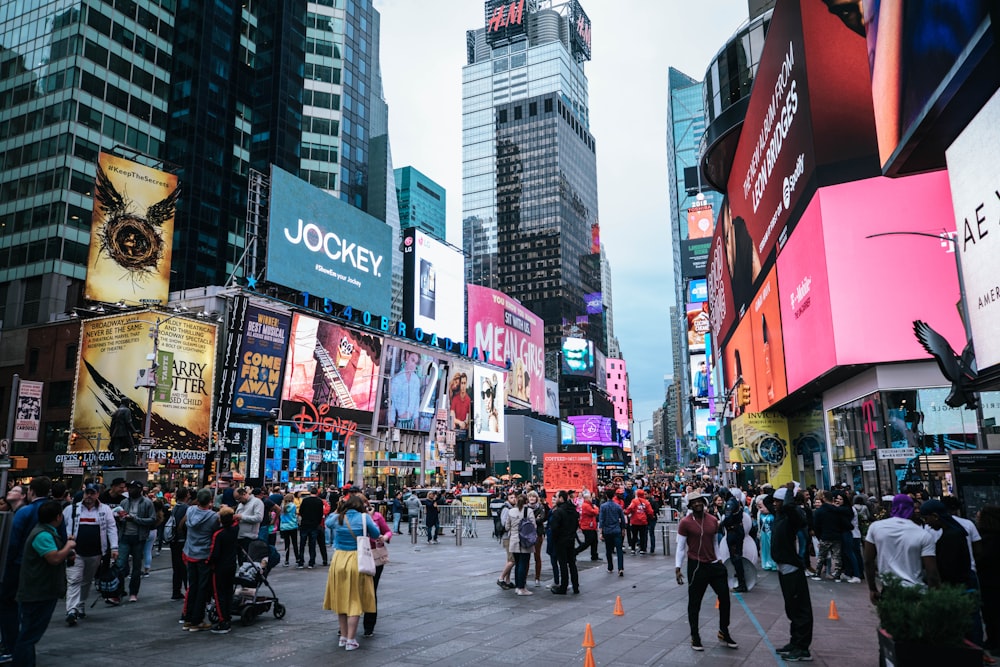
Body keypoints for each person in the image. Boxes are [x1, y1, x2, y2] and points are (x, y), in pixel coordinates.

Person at [12, 501, 75, 667]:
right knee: (29, 635)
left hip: (40, 591)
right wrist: (68, 547)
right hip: (38, 592)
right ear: (58, 517)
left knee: (29, 634)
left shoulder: (46, 532)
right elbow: (53, 558)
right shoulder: (43, 535)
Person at [675, 491, 739, 652]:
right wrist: (677, 567)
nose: (697, 504)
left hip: (714, 565)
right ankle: (695, 636)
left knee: (725, 598)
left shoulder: (713, 520)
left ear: (704, 502)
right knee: (694, 603)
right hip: (696, 566)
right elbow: (681, 547)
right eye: (693, 502)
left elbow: (715, 543)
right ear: (689, 505)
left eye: (699, 501)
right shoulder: (685, 522)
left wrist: (719, 560)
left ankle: (724, 631)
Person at [0, 476, 52, 661]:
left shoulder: (24, 513)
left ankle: (13, 647)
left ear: (28, 493)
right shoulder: (51, 511)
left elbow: (12, 544)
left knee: (9, 604)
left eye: (15, 490)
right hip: (40, 568)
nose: (9, 492)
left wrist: (6, 565)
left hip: (19, 565)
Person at [323, 493, 380, 651]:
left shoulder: (338, 517)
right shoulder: (364, 518)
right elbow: (375, 534)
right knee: (354, 599)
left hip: (339, 559)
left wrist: (337, 509)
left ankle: (343, 636)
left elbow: (327, 522)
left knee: (341, 598)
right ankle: (351, 640)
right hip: (357, 559)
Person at [864, 494, 940, 604]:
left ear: (892, 507)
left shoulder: (876, 527)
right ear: (912, 509)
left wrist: (872, 588)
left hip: (890, 589)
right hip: (916, 591)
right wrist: (935, 596)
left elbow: (868, 561)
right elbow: (931, 571)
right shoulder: (923, 534)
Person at [62, 483, 118, 626]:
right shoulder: (71, 510)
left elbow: (111, 528)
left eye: (92, 493)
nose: (89, 496)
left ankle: (80, 605)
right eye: (87, 493)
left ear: (98, 494)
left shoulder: (105, 510)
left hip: (96, 553)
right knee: (74, 580)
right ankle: (72, 610)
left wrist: (114, 548)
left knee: (86, 581)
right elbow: (63, 528)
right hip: (75, 552)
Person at [769, 487, 813, 662]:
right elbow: (768, 502)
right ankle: (795, 642)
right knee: (792, 609)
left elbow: (789, 507)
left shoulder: (792, 517)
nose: (774, 504)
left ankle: (803, 648)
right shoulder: (780, 516)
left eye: (777, 502)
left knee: (800, 610)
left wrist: (789, 492)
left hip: (792, 570)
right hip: (783, 569)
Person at [182, 489, 220, 632]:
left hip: (190, 552)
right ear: (210, 500)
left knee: (192, 586)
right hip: (204, 555)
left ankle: (187, 618)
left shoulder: (190, 511)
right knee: (202, 588)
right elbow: (217, 530)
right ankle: (197, 620)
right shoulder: (213, 517)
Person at [113, 480, 156, 603]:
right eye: (129, 488)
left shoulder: (147, 503)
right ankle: (119, 592)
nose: (130, 490)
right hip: (124, 535)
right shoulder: (124, 502)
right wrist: (120, 518)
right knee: (120, 565)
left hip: (139, 537)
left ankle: (133, 592)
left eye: (133, 488)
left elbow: (152, 519)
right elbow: (119, 518)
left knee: (136, 567)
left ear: (140, 489)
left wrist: (135, 519)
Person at [357, 494, 392, 637]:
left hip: (373, 555)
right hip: (356, 555)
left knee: (371, 590)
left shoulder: (377, 516)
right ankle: (348, 622)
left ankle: (369, 625)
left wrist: (385, 537)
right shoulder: (350, 518)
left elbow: (386, 531)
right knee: (354, 590)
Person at [207, 506, 239, 634]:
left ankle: (223, 621)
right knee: (228, 592)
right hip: (231, 564)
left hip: (220, 567)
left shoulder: (218, 534)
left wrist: (208, 562)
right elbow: (236, 522)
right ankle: (227, 616)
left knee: (219, 594)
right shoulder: (235, 529)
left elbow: (214, 553)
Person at [548, 491, 580, 595]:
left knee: (562, 564)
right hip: (571, 539)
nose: (555, 499)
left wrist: (555, 537)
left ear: (561, 498)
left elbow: (554, 528)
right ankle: (576, 586)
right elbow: (576, 524)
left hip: (561, 540)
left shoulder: (559, 511)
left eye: (556, 497)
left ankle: (563, 586)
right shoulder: (573, 510)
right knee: (572, 563)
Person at [503, 494, 535, 596]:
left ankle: (517, 586)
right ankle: (522, 588)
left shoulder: (511, 511)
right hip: (525, 541)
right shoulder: (529, 511)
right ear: (526, 502)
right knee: (523, 564)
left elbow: (507, 527)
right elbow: (533, 526)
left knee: (517, 563)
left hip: (514, 540)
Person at [720, 488, 749, 592]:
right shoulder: (735, 501)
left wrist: (720, 525)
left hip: (733, 532)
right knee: (737, 556)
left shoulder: (730, 503)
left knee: (735, 557)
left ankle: (742, 582)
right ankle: (741, 577)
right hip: (737, 530)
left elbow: (728, 517)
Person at [388, 351, 422, 428]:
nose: (413, 366)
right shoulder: (396, 379)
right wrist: (391, 423)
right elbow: (392, 404)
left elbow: (416, 404)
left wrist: (417, 428)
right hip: (400, 423)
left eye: (416, 363)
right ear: (407, 356)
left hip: (412, 423)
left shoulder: (416, 380)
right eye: (412, 360)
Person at [598, 489, 627, 577]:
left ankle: (610, 567)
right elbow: (622, 519)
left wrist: (600, 532)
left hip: (607, 530)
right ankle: (620, 568)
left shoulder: (603, 506)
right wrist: (623, 529)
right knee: (619, 550)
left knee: (608, 550)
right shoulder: (617, 506)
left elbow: (601, 519)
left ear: (606, 496)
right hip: (616, 529)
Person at [298, 487, 328, 568]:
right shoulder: (319, 501)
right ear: (317, 493)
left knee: (302, 544)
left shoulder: (305, 500)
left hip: (305, 524)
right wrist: (317, 522)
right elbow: (320, 514)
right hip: (314, 525)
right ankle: (311, 562)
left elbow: (301, 511)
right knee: (312, 544)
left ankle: (301, 561)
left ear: (310, 492)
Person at [168, 488, 190, 600]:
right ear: (186, 495)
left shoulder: (175, 507)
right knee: (185, 568)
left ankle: (176, 591)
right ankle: (188, 591)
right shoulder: (187, 509)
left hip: (173, 539)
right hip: (183, 540)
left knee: (176, 568)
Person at [496, 492, 518, 590]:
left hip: (511, 536)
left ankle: (508, 580)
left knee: (510, 559)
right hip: (507, 536)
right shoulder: (506, 509)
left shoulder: (513, 508)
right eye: (511, 497)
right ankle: (501, 578)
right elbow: (504, 523)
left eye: (515, 497)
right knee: (512, 560)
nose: (513, 499)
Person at [234, 486, 264, 554]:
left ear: (244, 494)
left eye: (239, 498)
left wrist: (241, 517)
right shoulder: (241, 504)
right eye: (237, 500)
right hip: (239, 537)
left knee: (247, 561)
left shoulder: (257, 502)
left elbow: (259, 518)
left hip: (249, 538)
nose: (239, 501)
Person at [624, 489, 653, 555]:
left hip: (634, 521)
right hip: (643, 521)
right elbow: (650, 512)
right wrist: (651, 517)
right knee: (642, 536)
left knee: (634, 536)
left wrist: (626, 512)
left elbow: (630, 508)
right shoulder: (646, 502)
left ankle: (633, 549)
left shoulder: (634, 501)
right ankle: (642, 549)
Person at [109, 400, 136, 465]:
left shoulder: (116, 412)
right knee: (131, 446)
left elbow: (112, 424)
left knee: (116, 448)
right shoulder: (127, 410)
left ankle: (117, 462)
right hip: (124, 432)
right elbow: (128, 422)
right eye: (128, 403)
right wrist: (134, 430)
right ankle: (131, 462)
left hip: (115, 433)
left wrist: (111, 434)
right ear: (126, 403)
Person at [575, 491, 599, 561]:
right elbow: (595, 512)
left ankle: (594, 555)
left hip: (590, 526)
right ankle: (575, 551)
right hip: (587, 526)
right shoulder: (586, 505)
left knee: (594, 541)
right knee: (588, 542)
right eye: (590, 497)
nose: (591, 498)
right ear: (586, 498)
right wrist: (596, 508)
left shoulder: (588, 505)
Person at [279, 493, 301, 566]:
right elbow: (295, 514)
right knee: (294, 543)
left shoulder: (282, 506)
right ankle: (297, 558)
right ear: (292, 499)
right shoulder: (293, 506)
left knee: (287, 544)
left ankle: (286, 561)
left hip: (284, 526)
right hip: (292, 525)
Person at [757, 495, 776, 571]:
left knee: (772, 548)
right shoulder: (760, 515)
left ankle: (774, 563)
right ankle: (767, 563)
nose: (760, 509)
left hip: (771, 534)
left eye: (761, 507)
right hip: (764, 534)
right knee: (765, 549)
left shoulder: (773, 515)